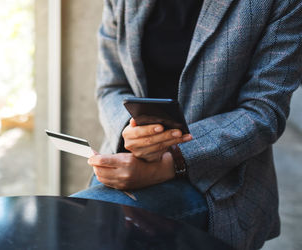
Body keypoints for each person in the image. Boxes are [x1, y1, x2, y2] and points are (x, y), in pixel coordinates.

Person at [72, 0, 302, 249]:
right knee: (68, 224)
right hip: (128, 163)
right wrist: (132, 130)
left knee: (78, 230)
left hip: (220, 182)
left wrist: (175, 161)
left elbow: (263, 112)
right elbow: (111, 86)